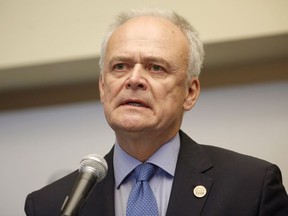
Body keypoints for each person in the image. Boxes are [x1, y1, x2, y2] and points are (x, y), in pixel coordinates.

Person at [25, 8, 288, 216]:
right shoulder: (50, 205)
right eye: (120, 66)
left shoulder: (251, 187)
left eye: (156, 67)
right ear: (103, 88)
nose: (134, 79)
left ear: (190, 92)